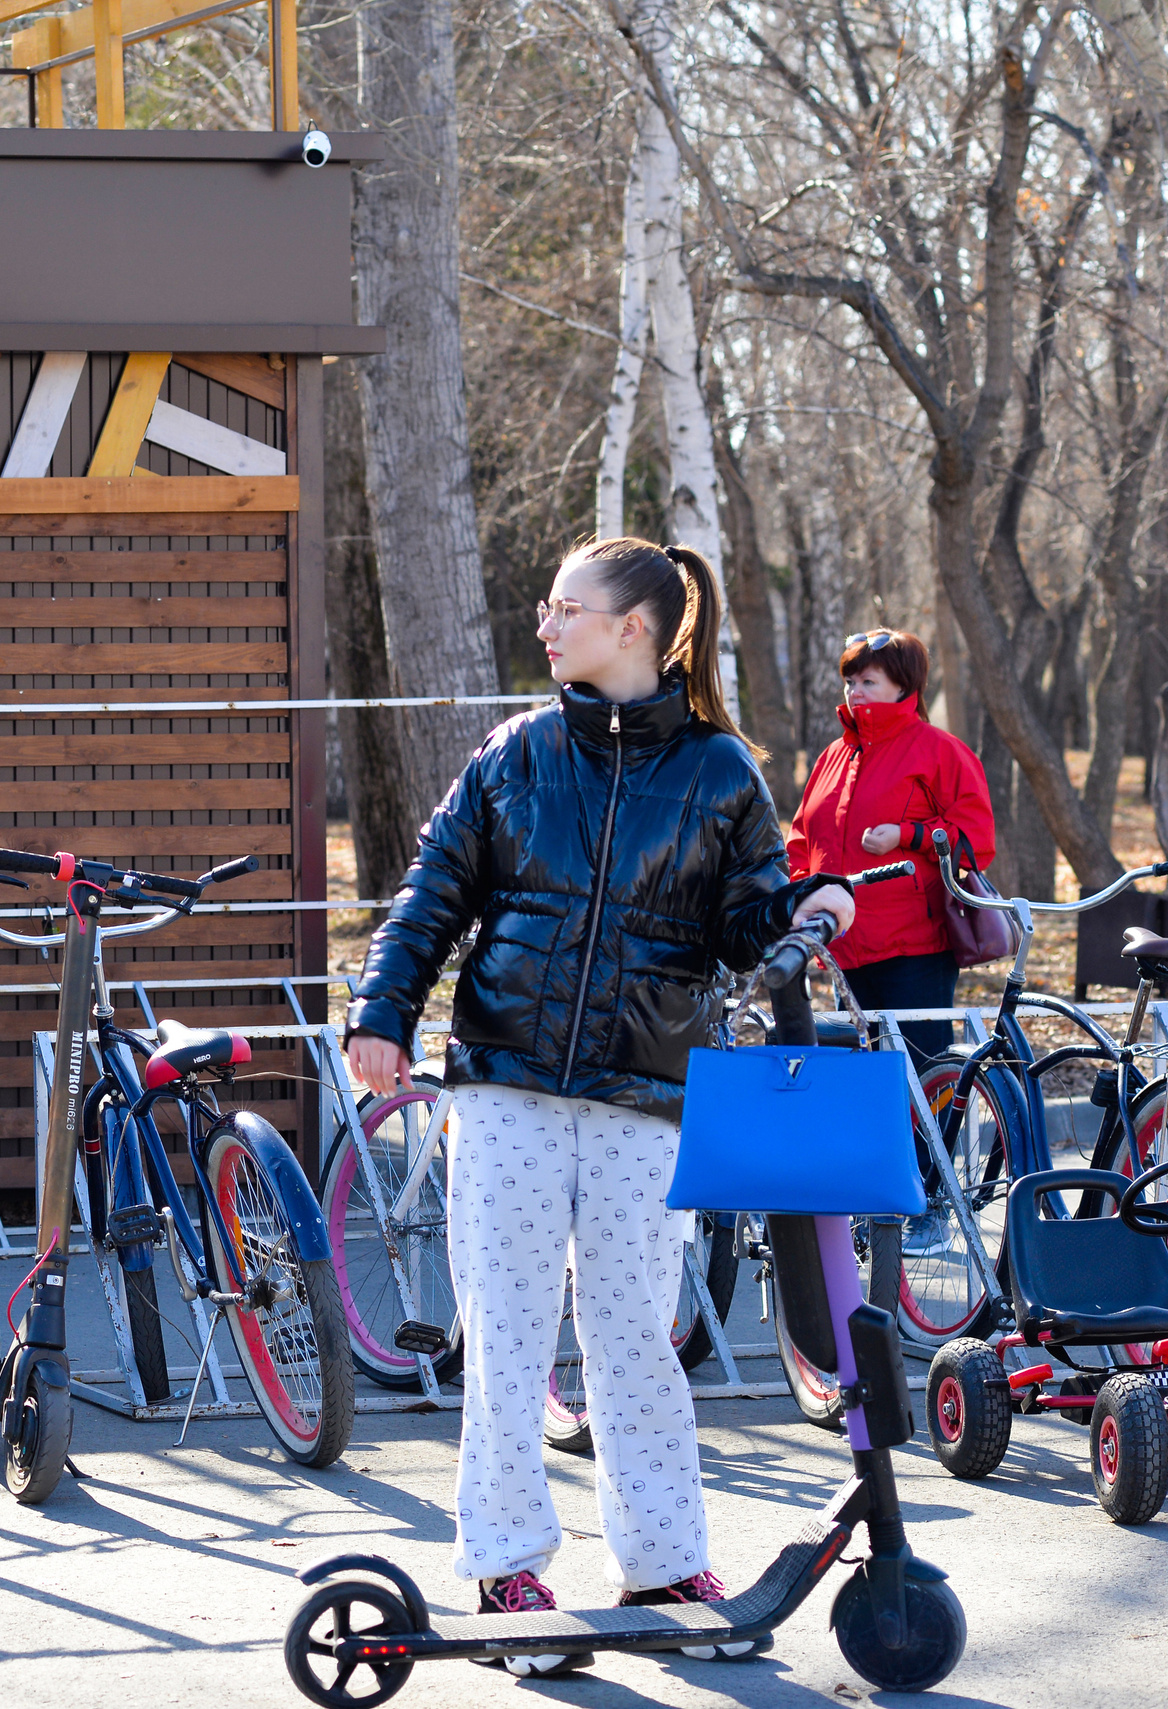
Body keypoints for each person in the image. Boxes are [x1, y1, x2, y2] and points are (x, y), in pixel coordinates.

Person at [346, 537, 855, 1675]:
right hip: (509, 1087)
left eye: (564, 607)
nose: (545, 623)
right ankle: (506, 1566)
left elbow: (745, 926)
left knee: (638, 1340)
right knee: (508, 1336)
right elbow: (431, 893)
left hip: (646, 1098)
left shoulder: (722, 771)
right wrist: (382, 1009)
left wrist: (804, 905)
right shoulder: (516, 753)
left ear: (633, 628)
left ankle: (665, 1562)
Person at [786, 628, 994, 1062]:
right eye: (850, 682)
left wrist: (908, 834)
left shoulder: (941, 751)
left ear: (903, 687)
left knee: (922, 1080)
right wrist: (800, 897)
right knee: (864, 1085)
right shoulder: (831, 757)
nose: (855, 692)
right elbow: (802, 841)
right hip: (841, 945)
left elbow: (976, 837)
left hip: (915, 951)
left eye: (868, 681)